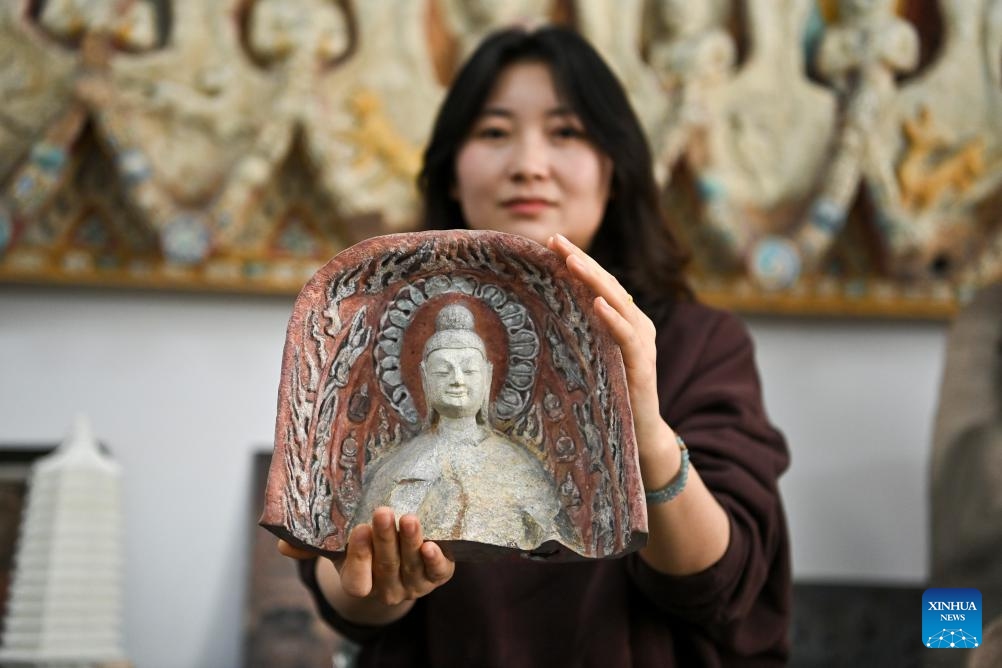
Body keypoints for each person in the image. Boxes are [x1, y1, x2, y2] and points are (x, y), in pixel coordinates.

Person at [280, 25, 790, 666]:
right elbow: (344, 592)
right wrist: (381, 579)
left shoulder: (697, 343)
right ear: (453, 171)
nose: (528, 162)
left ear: (615, 168)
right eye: (494, 132)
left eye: (566, 132)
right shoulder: (370, 332)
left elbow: (721, 581)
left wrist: (644, 426)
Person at [350, 302, 578, 555]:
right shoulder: (401, 465)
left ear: (487, 376)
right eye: (442, 371)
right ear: (424, 379)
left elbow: (550, 532)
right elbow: (369, 535)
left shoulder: (517, 464)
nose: (457, 380)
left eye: (469, 370)